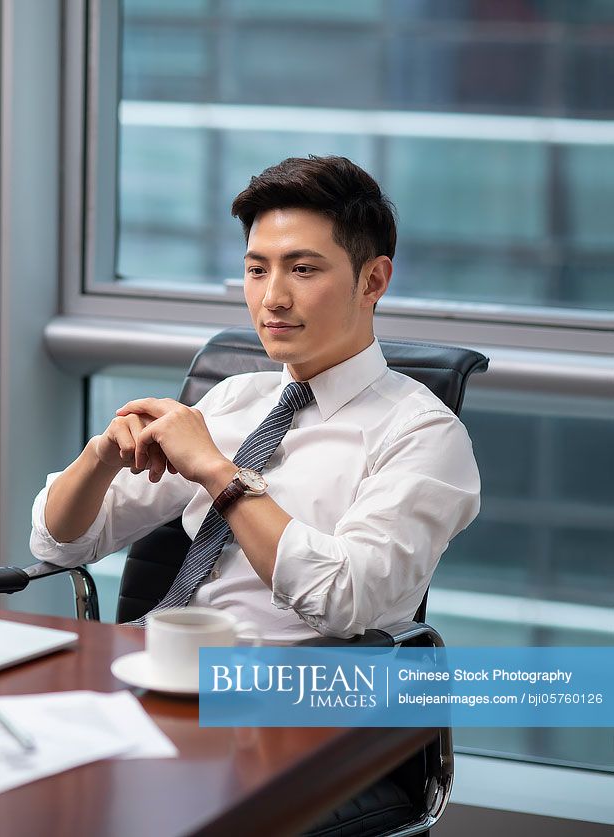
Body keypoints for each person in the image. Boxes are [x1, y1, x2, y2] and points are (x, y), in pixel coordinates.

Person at [29, 155, 480, 642]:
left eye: (303, 269)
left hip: (284, 695)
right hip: (157, 665)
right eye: (257, 269)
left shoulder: (424, 434)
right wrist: (99, 459)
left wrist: (219, 474)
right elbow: (59, 544)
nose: (273, 298)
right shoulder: (233, 399)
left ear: (372, 281)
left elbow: (344, 599)